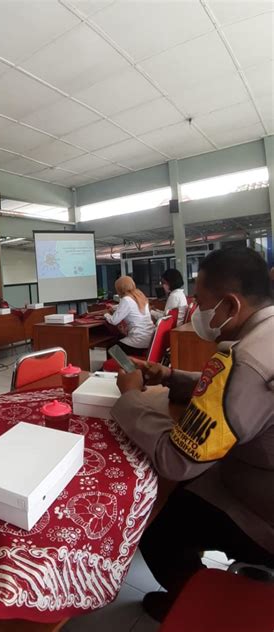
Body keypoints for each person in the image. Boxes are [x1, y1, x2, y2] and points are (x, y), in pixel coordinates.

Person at [111, 247, 274, 622]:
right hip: (256, 473)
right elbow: (229, 397)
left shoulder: (247, 362)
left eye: (201, 301)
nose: (196, 310)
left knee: (155, 526)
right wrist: (169, 377)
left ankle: (203, 607)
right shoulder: (263, 335)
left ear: (231, 305)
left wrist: (131, 397)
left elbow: (176, 458)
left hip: (262, 513)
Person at [104, 276, 155, 356]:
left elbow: (114, 321)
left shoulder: (126, 300)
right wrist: (116, 307)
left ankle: (113, 367)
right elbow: (133, 307)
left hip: (138, 341)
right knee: (117, 339)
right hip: (149, 339)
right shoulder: (140, 296)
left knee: (111, 347)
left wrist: (106, 315)